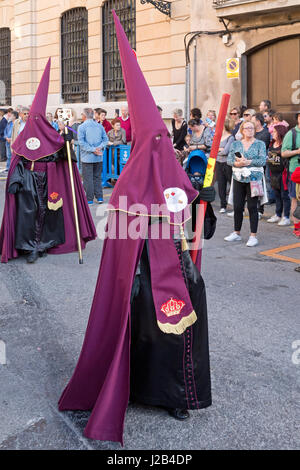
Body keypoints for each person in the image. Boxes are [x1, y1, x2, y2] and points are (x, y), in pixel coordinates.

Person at [58, 11, 215, 444]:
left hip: (175, 269)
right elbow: (127, 235)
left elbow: (195, 219)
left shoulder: (173, 168)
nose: (164, 144)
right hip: (144, 274)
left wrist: (205, 198)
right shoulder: (128, 181)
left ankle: (174, 392)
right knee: (141, 324)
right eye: (158, 140)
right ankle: (138, 385)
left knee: (180, 323)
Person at [0, 59, 97, 264]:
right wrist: (15, 179)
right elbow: (17, 156)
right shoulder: (24, 137)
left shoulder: (52, 136)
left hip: (48, 179)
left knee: (46, 212)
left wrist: (67, 142)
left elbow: (63, 156)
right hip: (28, 181)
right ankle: (30, 246)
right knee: (28, 213)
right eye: (30, 117)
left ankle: (42, 244)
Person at [224, 120, 267, 247]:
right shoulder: (236, 144)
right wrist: (237, 163)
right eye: (247, 128)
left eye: (252, 128)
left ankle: (253, 235)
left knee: (253, 207)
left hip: (254, 178)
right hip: (238, 177)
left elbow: (262, 161)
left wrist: (247, 162)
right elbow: (229, 159)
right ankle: (236, 233)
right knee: (237, 206)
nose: (249, 130)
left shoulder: (260, 144)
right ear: (242, 130)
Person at [78, 107, 109, 205]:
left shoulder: (82, 127)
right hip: (98, 156)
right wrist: (98, 148)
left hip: (87, 157)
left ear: (84, 115)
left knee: (88, 179)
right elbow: (105, 140)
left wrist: (93, 149)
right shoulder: (99, 126)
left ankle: (90, 199)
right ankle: (99, 197)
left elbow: (81, 143)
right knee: (97, 177)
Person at [266, 125, 290, 226]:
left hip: (283, 174)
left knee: (284, 195)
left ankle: (286, 217)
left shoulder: (284, 145)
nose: (272, 133)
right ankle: (278, 214)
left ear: (280, 133)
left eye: (275, 132)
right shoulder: (272, 143)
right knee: (276, 195)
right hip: (273, 173)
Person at [281, 111, 300, 238]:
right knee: (295, 199)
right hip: (296, 171)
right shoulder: (291, 134)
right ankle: (297, 227)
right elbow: (283, 153)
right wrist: (298, 151)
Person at [216, 118, 235, 213]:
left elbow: (225, 151)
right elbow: (213, 148)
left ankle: (236, 205)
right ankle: (223, 205)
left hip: (227, 164)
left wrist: (218, 150)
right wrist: (219, 149)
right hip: (218, 163)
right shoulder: (218, 136)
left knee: (232, 185)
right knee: (221, 185)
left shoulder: (231, 137)